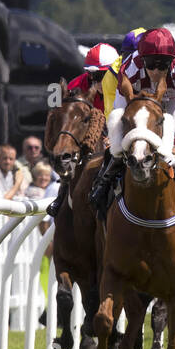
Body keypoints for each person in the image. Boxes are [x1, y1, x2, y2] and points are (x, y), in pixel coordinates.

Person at [93, 27, 175, 221]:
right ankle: (101, 187)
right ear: (141, 59)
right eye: (151, 64)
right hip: (135, 105)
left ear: (172, 61)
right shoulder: (129, 68)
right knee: (116, 135)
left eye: (163, 64)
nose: (156, 70)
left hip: (171, 102)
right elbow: (121, 115)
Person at [47, 42, 119, 219]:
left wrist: (116, 137)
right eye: (92, 75)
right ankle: (62, 194)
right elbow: (60, 116)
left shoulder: (124, 87)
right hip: (86, 140)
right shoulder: (76, 85)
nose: (95, 81)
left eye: (101, 75)